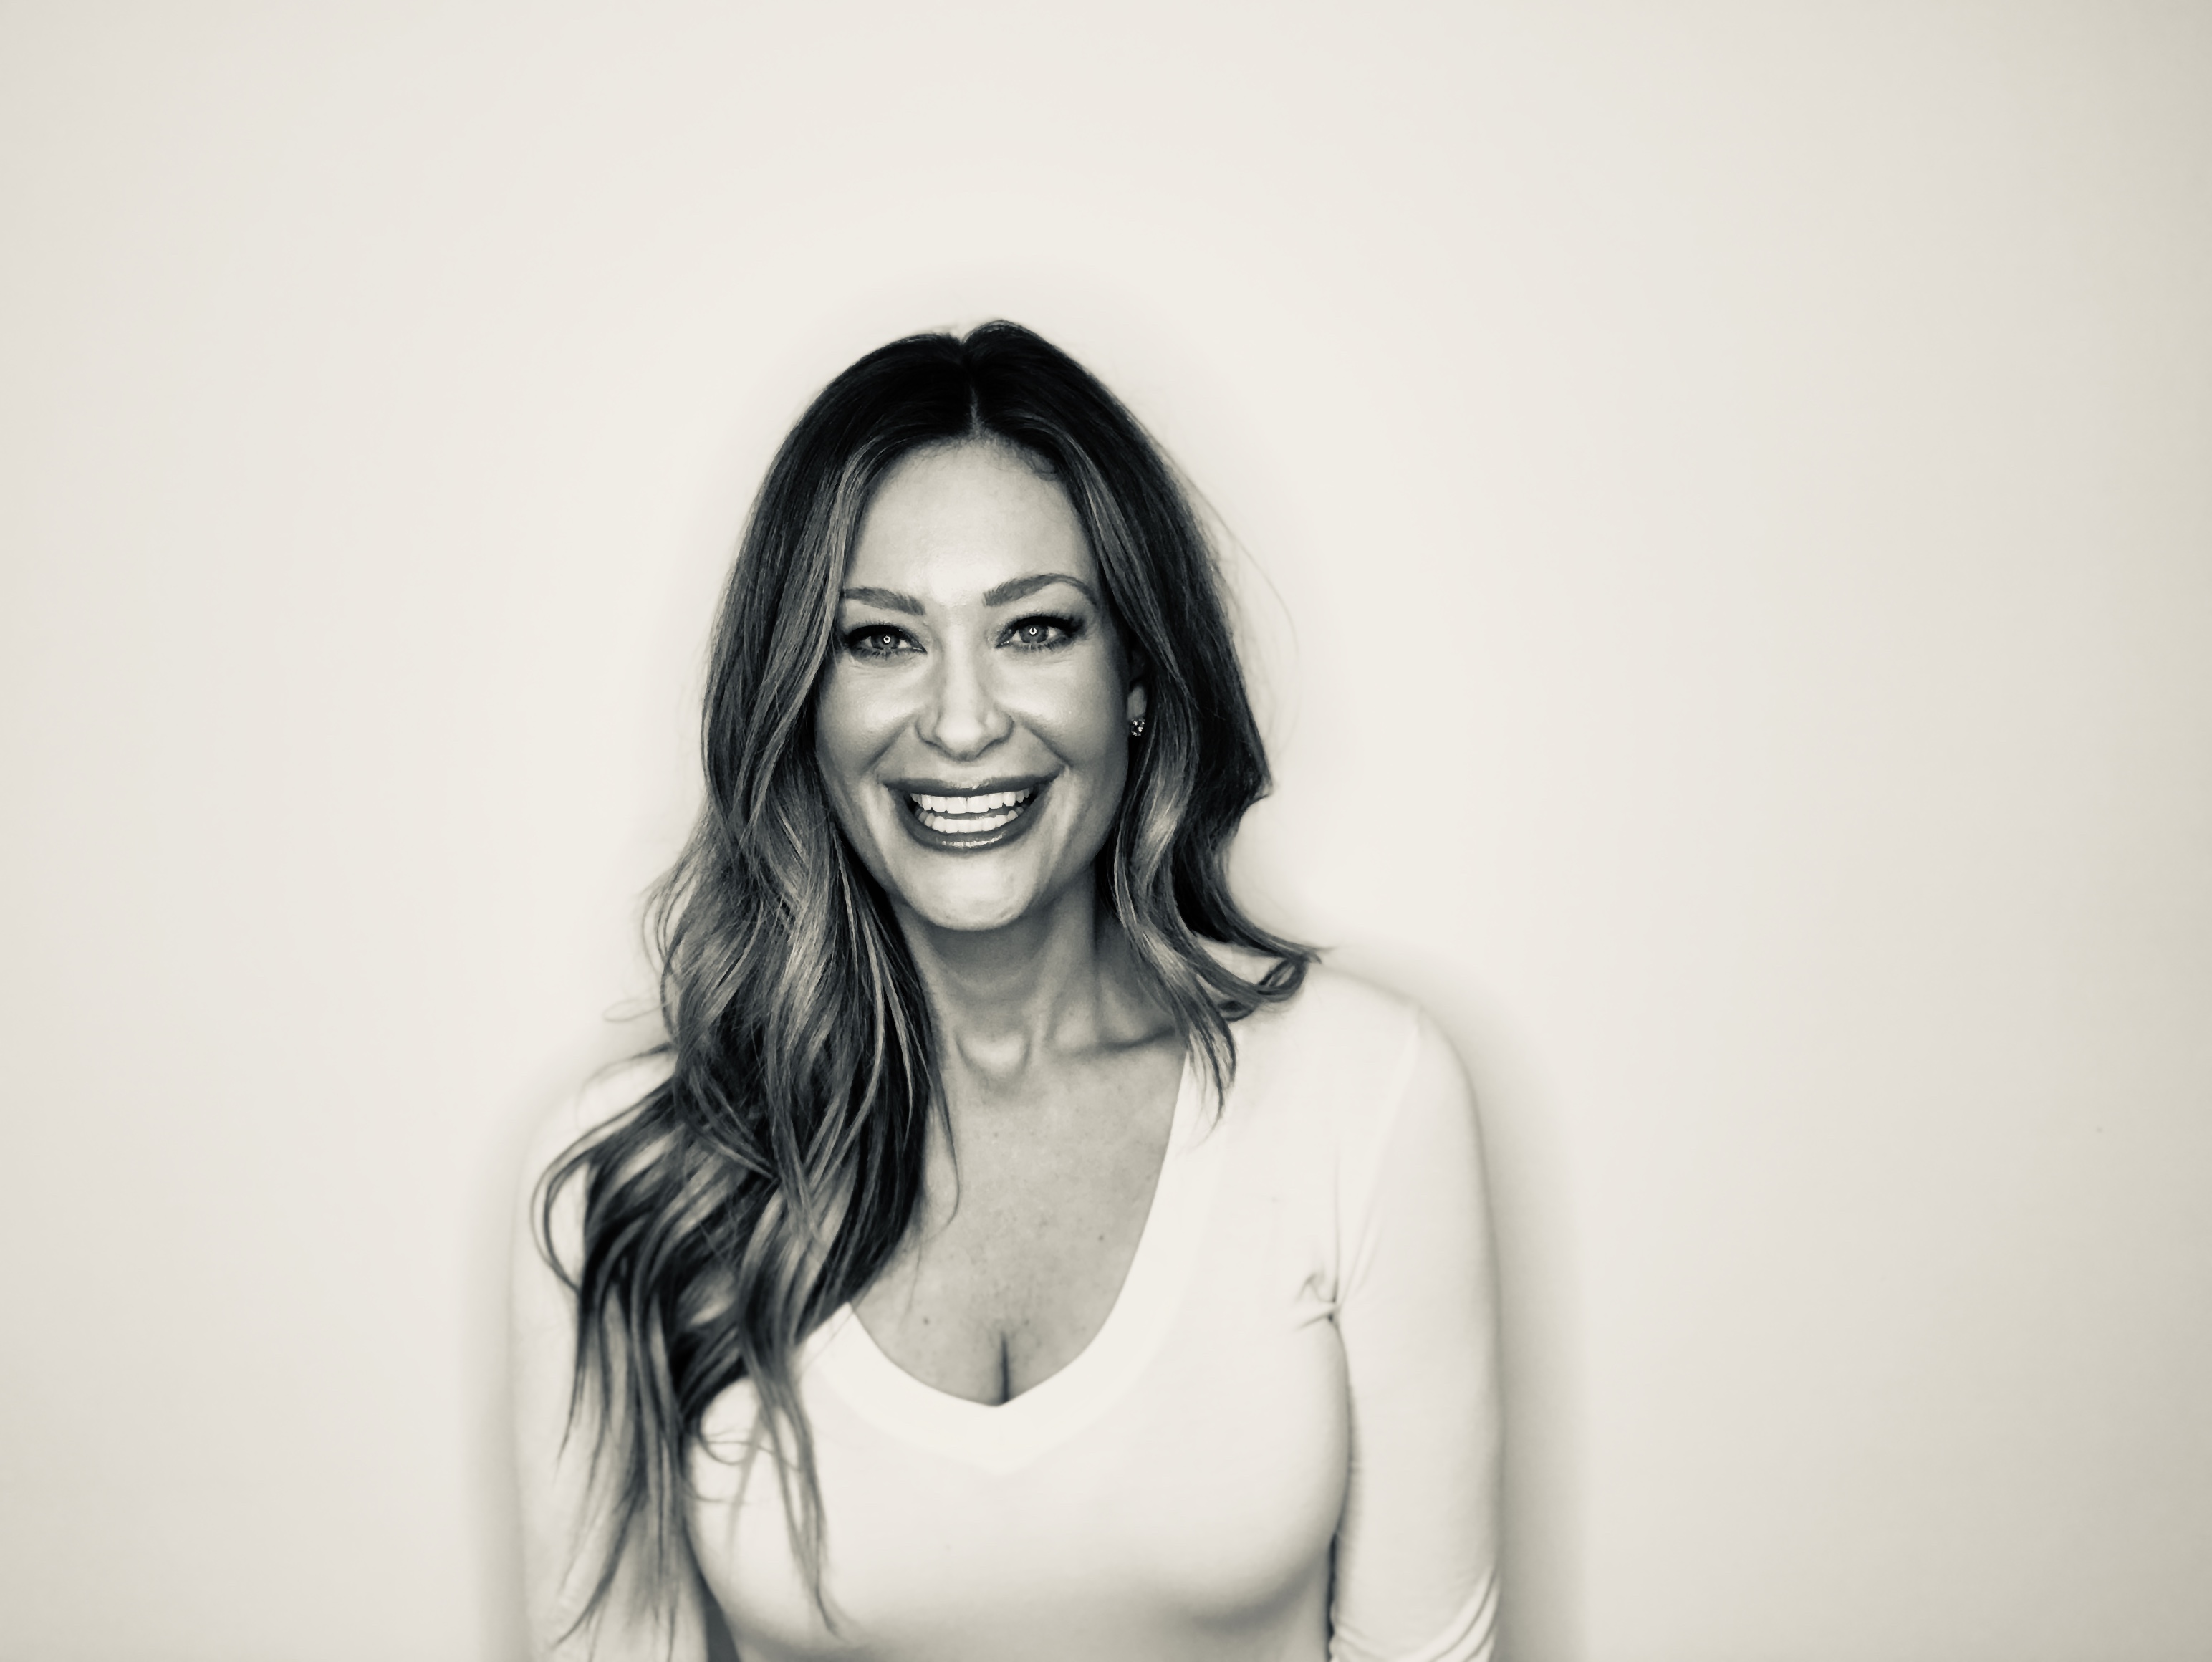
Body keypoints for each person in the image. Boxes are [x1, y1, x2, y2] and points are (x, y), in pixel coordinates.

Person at [512, 321, 1502, 1661]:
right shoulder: (634, 1174)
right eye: (881, 640)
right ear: (801, 703)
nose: (964, 721)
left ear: (1138, 678)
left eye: (1036, 628)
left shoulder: (1365, 1094)